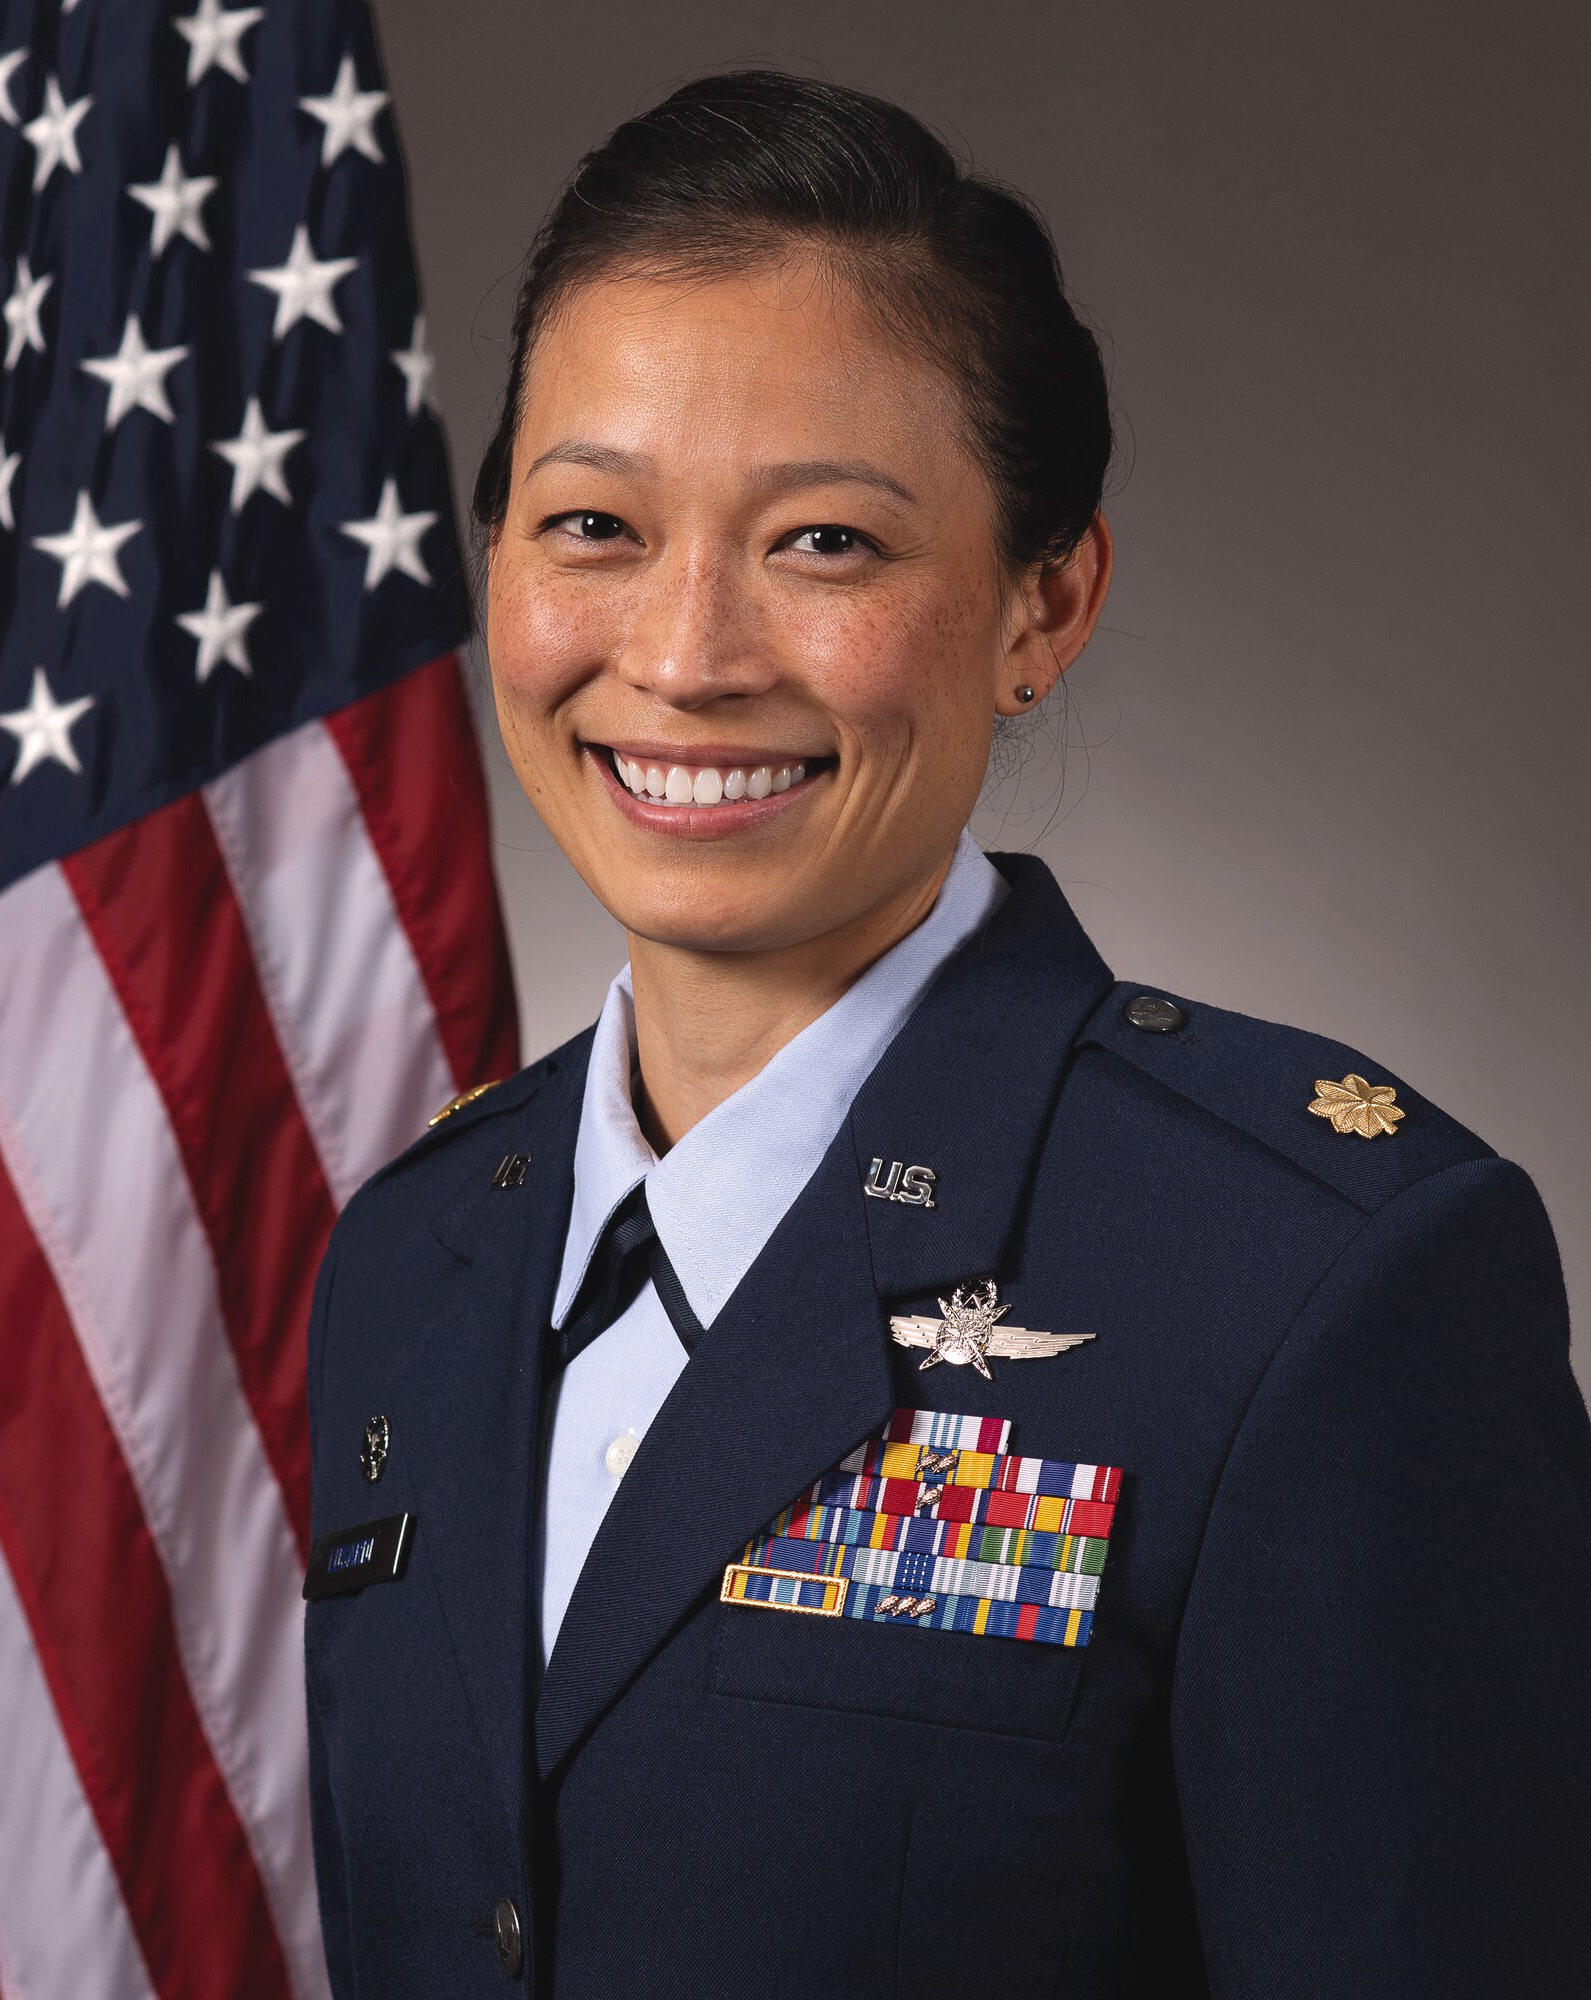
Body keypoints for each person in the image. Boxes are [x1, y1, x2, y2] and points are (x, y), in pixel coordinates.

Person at [300, 70, 1591, 1999]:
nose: (682, 652)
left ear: (1043, 600)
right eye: (592, 524)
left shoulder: (1322, 1282)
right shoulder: (416, 1253)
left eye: (823, 543)